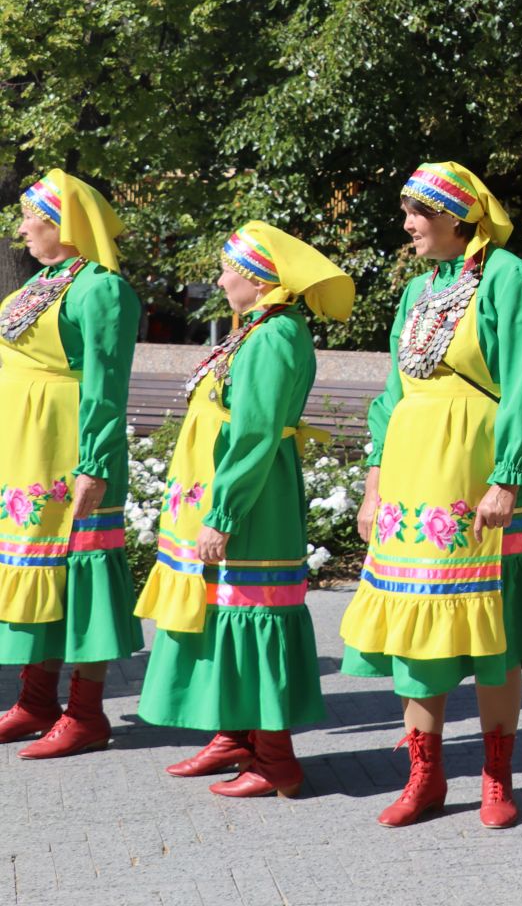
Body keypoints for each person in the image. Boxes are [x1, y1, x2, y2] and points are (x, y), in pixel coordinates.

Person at [339, 162, 522, 828]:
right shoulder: (417, 290)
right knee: (416, 629)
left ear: (457, 217)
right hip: (411, 481)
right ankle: (424, 776)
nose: (408, 226)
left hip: (475, 474)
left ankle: (496, 779)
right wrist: (373, 485)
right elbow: (394, 394)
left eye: (418, 214)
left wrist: (507, 474)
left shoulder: (508, 277)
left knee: (493, 629)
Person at [135, 223, 355, 797]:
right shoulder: (254, 330)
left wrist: (223, 513)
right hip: (227, 493)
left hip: (253, 502)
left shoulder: (276, 336)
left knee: (253, 613)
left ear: (257, 280)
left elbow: (255, 434)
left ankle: (276, 759)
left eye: (228, 268)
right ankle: (235, 736)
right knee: (220, 612)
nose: (220, 278)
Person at [0, 171, 142, 758]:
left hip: (68, 449)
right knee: (38, 572)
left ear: (63, 225)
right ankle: (35, 700)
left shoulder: (100, 289)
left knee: (78, 575)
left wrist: (95, 463)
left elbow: (107, 386)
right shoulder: (49, 280)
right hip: (27, 449)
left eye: (32, 216)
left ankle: (85, 712)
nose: (22, 226)